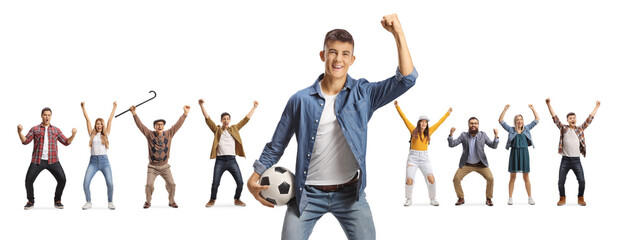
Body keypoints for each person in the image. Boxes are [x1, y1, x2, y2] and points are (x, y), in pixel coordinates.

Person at [247, 14, 417, 240]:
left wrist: (398, 33)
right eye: (333, 52)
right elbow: (276, 145)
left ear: (352, 59)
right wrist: (254, 175)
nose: (339, 59)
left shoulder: (363, 95)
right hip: (306, 194)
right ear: (323, 55)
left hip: (350, 194)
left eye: (345, 53)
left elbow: (406, 79)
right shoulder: (300, 100)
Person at [199, 99, 258, 207]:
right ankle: (212, 199)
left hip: (232, 160)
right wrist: (201, 105)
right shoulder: (217, 130)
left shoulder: (234, 128)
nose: (226, 120)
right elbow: (207, 119)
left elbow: (246, 120)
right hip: (220, 160)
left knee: (240, 182)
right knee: (215, 183)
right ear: (221, 120)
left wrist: (254, 107)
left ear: (229, 120)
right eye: (224, 119)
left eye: (227, 118)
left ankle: (237, 199)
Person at [130, 104, 189, 208]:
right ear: (154, 127)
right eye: (158, 125)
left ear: (164, 126)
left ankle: (171, 201)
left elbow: (178, 124)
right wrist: (134, 114)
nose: (160, 126)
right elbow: (140, 125)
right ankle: (148, 201)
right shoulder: (149, 134)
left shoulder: (169, 133)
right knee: (149, 185)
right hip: (152, 167)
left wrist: (185, 114)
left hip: (165, 167)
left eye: (161, 124)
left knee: (172, 184)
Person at [394, 100, 451, 206]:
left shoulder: (429, 132)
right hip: (413, 157)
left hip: (424, 157)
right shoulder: (413, 130)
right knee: (409, 180)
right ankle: (408, 199)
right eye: (422, 121)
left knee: (431, 178)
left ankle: (433, 199)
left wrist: (447, 114)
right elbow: (404, 118)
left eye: (426, 122)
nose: (424, 123)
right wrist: (397, 107)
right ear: (419, 123)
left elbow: (439, 123)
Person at [18, 107, 77, 210]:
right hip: (37, 160)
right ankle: (30, 201)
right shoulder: (35, 129)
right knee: (28, 180)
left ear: (51, 116)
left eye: (49, 115)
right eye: (45, 115)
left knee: (62, 179)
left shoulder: (56, 130)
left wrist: (73, 135)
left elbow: (66, 142)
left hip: (53, 160)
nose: (47, 117)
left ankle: (57, 200)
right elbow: (25, 141)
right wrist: (19, 132)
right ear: (41, 115)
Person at [545, 98, 600, 206]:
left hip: (576, 160)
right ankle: (562, 198)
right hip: (565, 160)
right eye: (570, 118)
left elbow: (590, 119)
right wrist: (548, 104)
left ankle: (580, 197)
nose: (572, 119)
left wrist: (596, 107)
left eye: (574, 118)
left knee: (582, 181)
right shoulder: (563, 128)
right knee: (561, 181)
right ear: (567, 120)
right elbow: (554, 118)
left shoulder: (580, 129)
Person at [448, 117, 499, 206]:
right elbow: (452, 144)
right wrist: (451, 134)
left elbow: (493, 146)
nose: (473, 125)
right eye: (471, 123)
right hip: (466, 164)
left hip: (481, 164)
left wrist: (496, 136)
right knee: (456, 179)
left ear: (478, 125)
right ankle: (461, 198)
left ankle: (489, 199)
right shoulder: (464, 135)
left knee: (490, 178)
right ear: (468, 125)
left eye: (475, 123)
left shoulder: (483, 135)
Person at [498, 104, 539, 205]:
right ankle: (510, 198)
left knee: (526, 177)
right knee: (512, 176)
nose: (520, 121)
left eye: (521, 119)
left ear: (523, 121)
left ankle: (530, 197)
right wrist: (505, 109)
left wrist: (533, 109)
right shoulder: (511, 129)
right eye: (517, 119)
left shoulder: (527, 128)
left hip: (524, 153)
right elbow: (500, 121)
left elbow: (537, 119)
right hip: (514, 153)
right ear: (515, 121)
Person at [80, 101, 117, 210]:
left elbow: (110, 120)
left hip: (105, 162)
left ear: (103, 125)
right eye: (97, 123)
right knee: (85, 183)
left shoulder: (105, 135)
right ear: (95, 125)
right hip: (93, 162)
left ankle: (110, 202)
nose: (99, 125)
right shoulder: (92, 134)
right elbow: (87, 120)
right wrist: (83, 108)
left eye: (101, 123)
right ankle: (88, 202)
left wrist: (114, 107)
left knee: (110, 183)